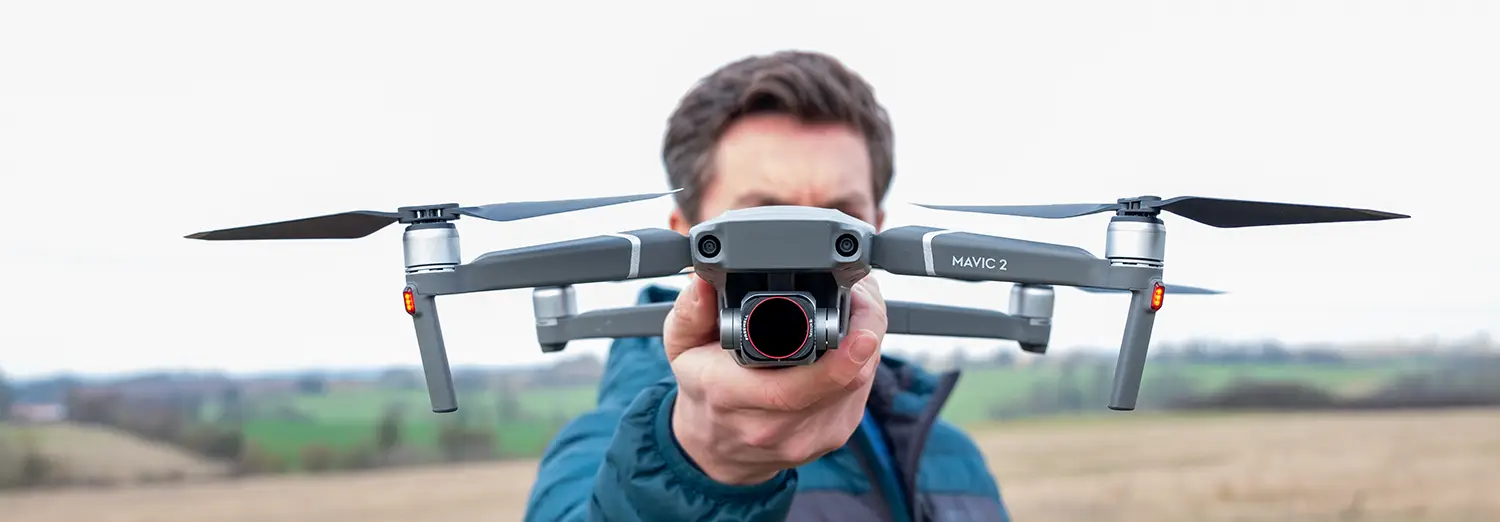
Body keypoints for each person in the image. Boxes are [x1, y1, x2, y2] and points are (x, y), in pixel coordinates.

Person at [525, 50, 1013, 522]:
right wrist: (696, 463)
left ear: (877, 229)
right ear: (685, 235)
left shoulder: (951, 460)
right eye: (764, 218)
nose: (804, 251)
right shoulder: (600, 452)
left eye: (839, 221)